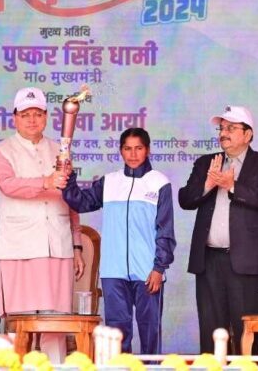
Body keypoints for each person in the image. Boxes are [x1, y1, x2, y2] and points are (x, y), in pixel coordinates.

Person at [0, 87, 85, 363]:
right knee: (20, 326)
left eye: (38, 114)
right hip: (20, 249)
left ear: (46, 116)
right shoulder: (0, 152)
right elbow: (9, 186)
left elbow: (71, 199)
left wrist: (77, 244)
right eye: (25, 114)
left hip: (58, 248)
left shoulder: (60, 150)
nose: (32, 120)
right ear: (14, 117)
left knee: (56, 324)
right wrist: (46, 181)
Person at [61, 127, 176, 354]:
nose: (133, 154)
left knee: (150, 330)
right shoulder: (110, 182)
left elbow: (165, 230)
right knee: (117, 333)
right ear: (121, 151)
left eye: (138, 148)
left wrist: (158, 268)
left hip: (147, 271)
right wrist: (69, 176)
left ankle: (152, 368)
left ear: (147, 150)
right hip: (113, 271)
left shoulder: (159, 183)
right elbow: (79, 202)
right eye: (127, 149)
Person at [178, 105, 258, 354]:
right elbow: (185, 200)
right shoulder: (206, 163)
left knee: (247, 333)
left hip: (249, 264)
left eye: (231, 128)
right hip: (209, 261)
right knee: (212, 334)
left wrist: (232, 185)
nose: (223, 133)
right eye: (222, 128)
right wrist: (207, 184)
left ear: (248, 134)